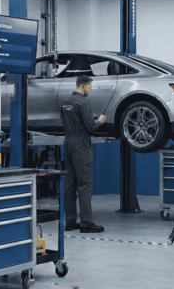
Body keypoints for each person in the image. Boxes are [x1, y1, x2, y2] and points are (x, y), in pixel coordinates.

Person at [60, 75, 107, 233]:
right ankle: (86, 223)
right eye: (90, 87)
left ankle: (70, 221)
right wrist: (101, 120)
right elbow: (91, 126)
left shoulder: (65, 102)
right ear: (83, 86)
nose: (90, 90)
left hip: (67, 142)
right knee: (85, 184)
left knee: (69, 184)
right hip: (80, 144)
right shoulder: (83, 102)